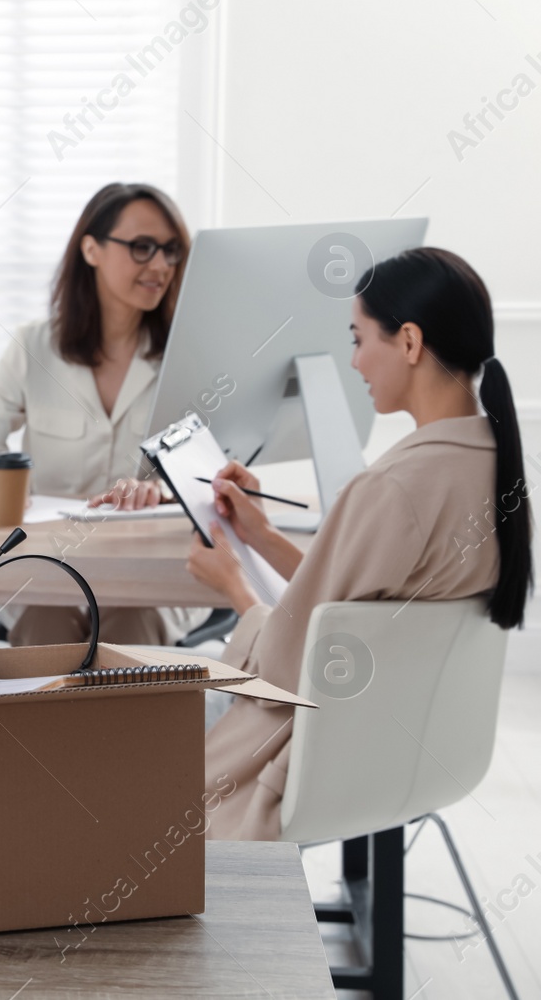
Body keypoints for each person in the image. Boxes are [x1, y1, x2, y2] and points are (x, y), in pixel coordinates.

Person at [187, 247, 531, 840]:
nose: (354, 361)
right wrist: (263, 536)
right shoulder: (494, 469)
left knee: (129, 700)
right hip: (396, 754)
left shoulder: (393, 488)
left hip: (299, 763)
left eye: (359, 338)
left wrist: (235, 590)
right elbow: (363, 605)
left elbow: (284, 669)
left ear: (409, 342)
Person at [0, 182, 201, 647]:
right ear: (91, 249)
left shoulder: (189, 354)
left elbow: (212, 475)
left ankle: (142, 722)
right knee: (48, 631)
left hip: (152, 567)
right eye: (143, 248)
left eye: (171, 250)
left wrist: (158, 491)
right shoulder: (34, 347)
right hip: (50, 562)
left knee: (128, 628)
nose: (161, 265)